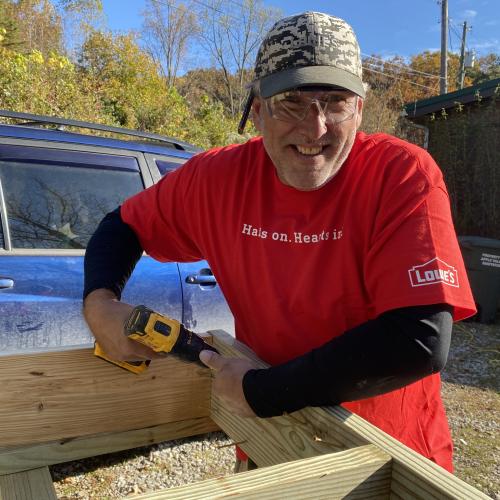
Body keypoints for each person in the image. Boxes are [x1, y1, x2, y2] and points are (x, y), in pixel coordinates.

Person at [83, 11, 476, 473]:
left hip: (386, 455)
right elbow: (122, 224)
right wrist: (100, 305)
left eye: (335, 101)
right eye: (290, 102)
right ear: (256, 109)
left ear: (361, 109)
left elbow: (419, 339)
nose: (316, 129)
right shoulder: (218, 179)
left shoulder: (402, 175)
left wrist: (261, 391)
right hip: (269, 443)